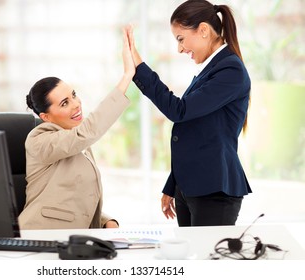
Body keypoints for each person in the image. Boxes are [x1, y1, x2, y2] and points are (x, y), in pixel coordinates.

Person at [126, 0, 252, 226]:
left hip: (215, 189)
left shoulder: (230, 70)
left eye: (181, 39)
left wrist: (139, 66)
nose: (180, 49)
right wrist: (173, 185)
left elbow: (179, 111)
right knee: (190, 259)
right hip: (192, 187)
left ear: (203, 30)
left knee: (206, 260)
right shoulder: (211, 69)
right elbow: (196, 134)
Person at [18, 28, 134, 229]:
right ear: (45, 117)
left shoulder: (75, 139)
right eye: (64, 103)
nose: (76, 104)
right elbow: (88, 132)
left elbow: (73, 201)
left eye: (74, 95)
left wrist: (105, 221)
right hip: (41, 237)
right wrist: (127, 75)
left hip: (72, 238)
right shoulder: (38, 140)